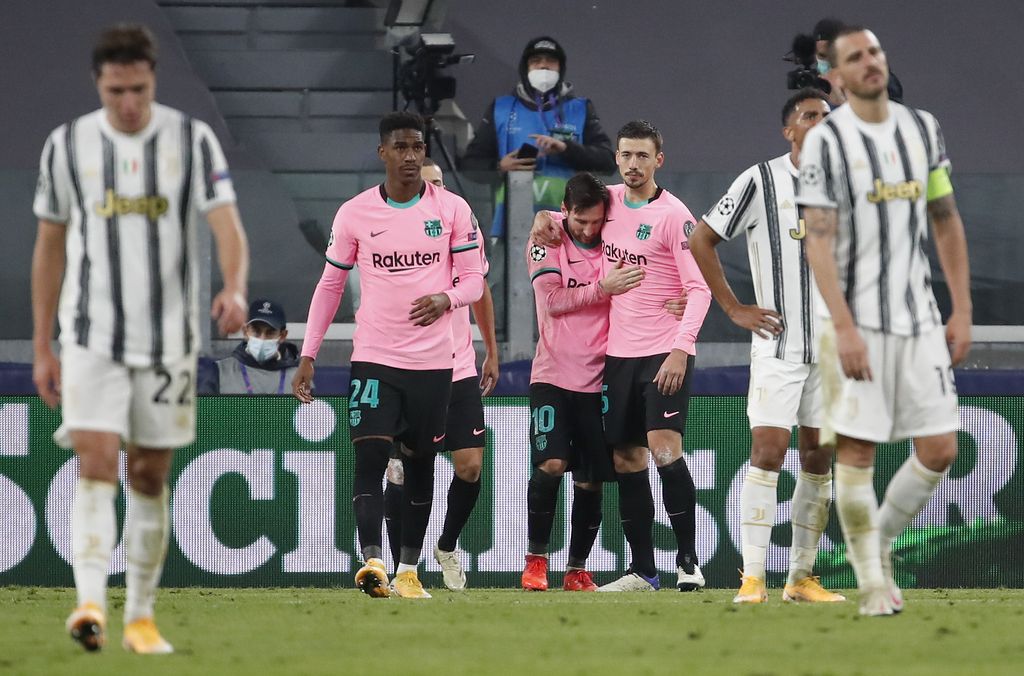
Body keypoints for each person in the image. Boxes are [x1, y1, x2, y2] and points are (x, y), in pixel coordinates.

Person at [31, 24, 249, 653]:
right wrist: (44, 344)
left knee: (150, 475)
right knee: (96, 462)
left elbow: (226, 224)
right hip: (90, 336)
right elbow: (49, 247)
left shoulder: (190, 138)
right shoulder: (67, 145)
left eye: (140, 90)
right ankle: (90, 605)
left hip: (167, 343)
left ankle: (142, 617)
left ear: (153, 80)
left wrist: (234, 287)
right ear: (99, 84)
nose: (129, 103)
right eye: (117, 90)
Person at [797, 26, 971, 616]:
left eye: (874, 51)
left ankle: (880, 547)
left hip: (920, 317)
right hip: (855, 321)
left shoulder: (923, 127)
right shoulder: (826, 142)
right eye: (855, 57)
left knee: (941, 448)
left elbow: (945, 217)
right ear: (836, 77)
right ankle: (873, 583)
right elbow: (817, 242)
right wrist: (842, 327)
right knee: (858, 452)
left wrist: (962, 308)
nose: (869, 62)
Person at [292, 112, 484, 600]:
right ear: (383, 153)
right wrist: (309, 354)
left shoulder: (453, 209)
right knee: (372, 454)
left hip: (434, 363)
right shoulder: (355, 214)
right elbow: (331, 283)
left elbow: (474, 280)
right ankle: (372, 560)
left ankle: (408, 570)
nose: (410, 156)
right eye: (400, 147)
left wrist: (448, 298)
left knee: (421, 466)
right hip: (375, 356)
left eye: (417, 147)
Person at [532, 121, 713, 592]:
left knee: (663, 447)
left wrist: (681, 349)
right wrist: (544, 216)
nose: (634, 164)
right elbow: (570, 214)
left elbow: (699, 289)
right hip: (618, 355)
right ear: (617, 158)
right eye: (626, 155)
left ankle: (689, 563)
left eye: (642, 156)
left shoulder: (675, 216)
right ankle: (644, 572)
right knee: (628, 459)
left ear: (659, 160)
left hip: (663, 352)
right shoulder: (609, 202)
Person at [689, 88, 845, 604]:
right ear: (789, 129)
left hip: (829, 347)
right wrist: (734, 308)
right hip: (778, 345)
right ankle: (752, 576)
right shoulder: (760, 179)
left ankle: (800, 577)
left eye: (827, 115)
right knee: (769, 451)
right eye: (810, 116)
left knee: (819, 458)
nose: (821, 123)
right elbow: (702, 239)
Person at [521, 173, 644, 592]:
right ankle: (536, 561)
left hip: (602, 378)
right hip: (554, 374)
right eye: (580, 222)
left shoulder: (616, 234)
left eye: (596, 222)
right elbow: (552, 302)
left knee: (591, 479)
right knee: (551, 464)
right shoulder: (547, 240)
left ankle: (576, 568)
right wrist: (602, 288)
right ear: (565, 211)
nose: (589, 230)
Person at [383, 158, 500, 590]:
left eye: (438, 183)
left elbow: (480, 288)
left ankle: (447, 546)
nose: (433, 191)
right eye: (425, 183)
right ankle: (402, 570)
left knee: (470, 466)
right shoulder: (396, 237)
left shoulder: (461, 229)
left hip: (458, 366)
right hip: (408, 368)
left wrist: (490, 347)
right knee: (403, 470)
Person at [461, 36, 615, 240]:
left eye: (551, 61)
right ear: (525, 69)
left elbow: (608, 161)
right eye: (536, 61)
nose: (543, 66)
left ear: (561, 68)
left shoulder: (580, 108)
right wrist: (500, 166)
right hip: (511, 228)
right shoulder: (501, 108)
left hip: (569, 226)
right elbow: (470, 164)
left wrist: (566, 149)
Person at [215, 299, 299, 394]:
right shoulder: (220, 371)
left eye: (270, 332)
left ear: (282, 336)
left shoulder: (299, 377)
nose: (262, 338)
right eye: (256, 331)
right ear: (245, 332)